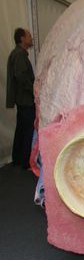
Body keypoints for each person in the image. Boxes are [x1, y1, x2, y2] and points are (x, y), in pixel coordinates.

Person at [6, 28, 35, 169]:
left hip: (22, 99)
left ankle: (17, 159)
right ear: (22, 39)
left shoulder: (19, 54)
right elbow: (21, 76)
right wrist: (34, 89)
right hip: (26, 99)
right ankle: (25, 162)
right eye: (29, 36)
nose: (31, 38)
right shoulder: (19, 55)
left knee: (21, 129)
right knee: (27, 130)